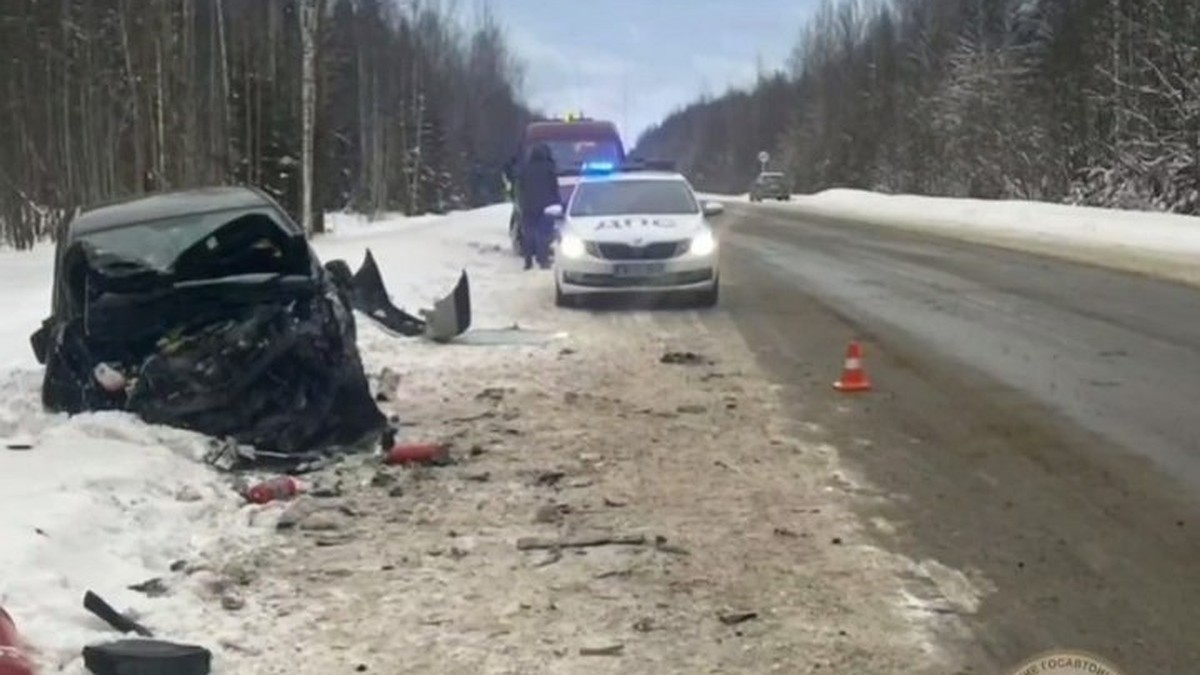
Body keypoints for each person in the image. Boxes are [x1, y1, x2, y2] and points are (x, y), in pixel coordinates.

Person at [517, 143, 560, 270]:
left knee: (529, 234)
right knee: (544, 234)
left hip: (528, 206)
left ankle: (528, 260)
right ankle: (543, 260)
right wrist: (557, 201)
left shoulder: (525, 168)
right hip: (546, 206)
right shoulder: (549, 167)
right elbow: (554, 187)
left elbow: (520, 187)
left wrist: (521, 202)